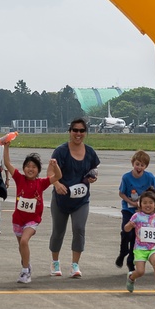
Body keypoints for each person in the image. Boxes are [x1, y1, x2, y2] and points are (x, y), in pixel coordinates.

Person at [49, 117, 101, 278]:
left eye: (82, 131)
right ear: (70, 132)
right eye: (75, 130)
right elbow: (50, 173)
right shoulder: (60, 151)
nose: (78, 134)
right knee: (58, 231)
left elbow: (94, 169)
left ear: (85, 133)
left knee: (79, 229)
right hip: (61, 199)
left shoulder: (90, 152)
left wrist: (93, 177)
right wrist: (57, 184)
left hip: (81, 200)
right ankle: (55, 262)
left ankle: (75, 265)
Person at [3, 141, 60, 284]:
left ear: (38, 170)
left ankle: (25, 271)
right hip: (18, 219)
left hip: (32, 220)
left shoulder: (41, 183)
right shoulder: (19, 178)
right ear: (23, 168)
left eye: (34, 167)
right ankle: (26, 264)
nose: (30, 169)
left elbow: (58, 177)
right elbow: (7, 163)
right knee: (21, 246)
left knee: (24, 240)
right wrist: (6, 147)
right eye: (28, 166)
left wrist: (55, 166)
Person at [116, 150, 155, 268]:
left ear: (145, 166)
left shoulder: (149, 177)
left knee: (137, 236)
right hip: (129, 209)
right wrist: (131, 202)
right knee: (127, 232)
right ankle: (123, 252)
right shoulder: (126, 177)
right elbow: (121, 193)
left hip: (143, 212)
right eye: (137, 164)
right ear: (133, 163)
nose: (139, 167)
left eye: (142, 165)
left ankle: (131, 260)